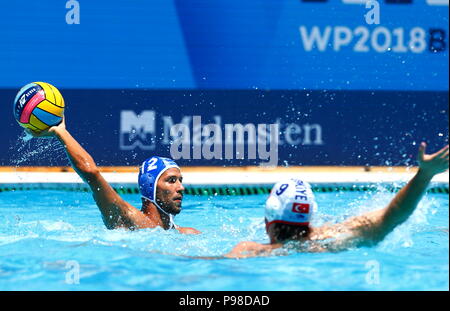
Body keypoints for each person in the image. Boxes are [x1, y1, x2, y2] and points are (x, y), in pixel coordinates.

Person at [222, 142, 449, 258]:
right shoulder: (338, 238)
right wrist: (425, 173)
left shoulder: (251, 250)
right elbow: (396, 214)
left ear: (268, 217)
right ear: (310, 216)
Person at [28, 118, 200, 234]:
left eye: (180, 180)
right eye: (171, 181)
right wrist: (61, 132)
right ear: (150, 187)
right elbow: (91, 174)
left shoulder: (187, 234)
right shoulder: (127, 219)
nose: (181, 187)